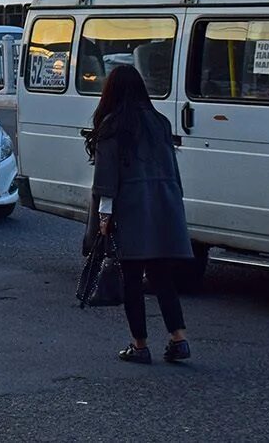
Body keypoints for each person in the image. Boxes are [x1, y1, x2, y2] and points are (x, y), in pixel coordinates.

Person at [84, 64, 193, 364]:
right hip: (164, 205)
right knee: (162, 276)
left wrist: (104, 219)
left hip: (132, 208)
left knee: (132, 277)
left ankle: (139, 345)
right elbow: (172, 169)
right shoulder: (160, 122)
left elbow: (107, 180)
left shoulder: (112, 126)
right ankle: (178, 338)